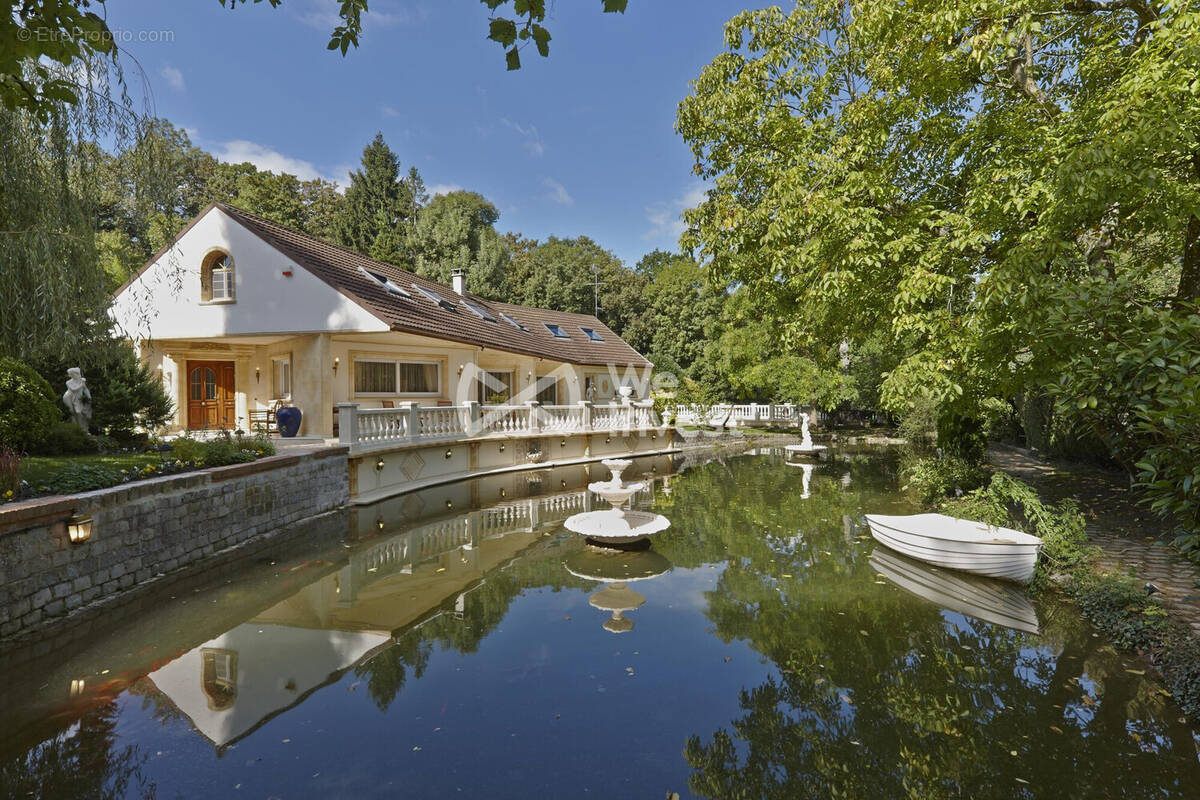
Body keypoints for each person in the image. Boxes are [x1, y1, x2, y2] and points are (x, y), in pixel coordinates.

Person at [62, 367, 92, 432]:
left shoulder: (81, 381)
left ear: (77, 374)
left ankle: (83, 429)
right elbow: (73, 389)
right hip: (69, 398)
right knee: (73, 412)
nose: (71, 375)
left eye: (72, 374)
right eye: (70, 374)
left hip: (78, 398)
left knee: (80, 413)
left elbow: (85, 389)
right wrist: (82, 383)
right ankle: (76, 429)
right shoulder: (68, 382)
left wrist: (89, 397)